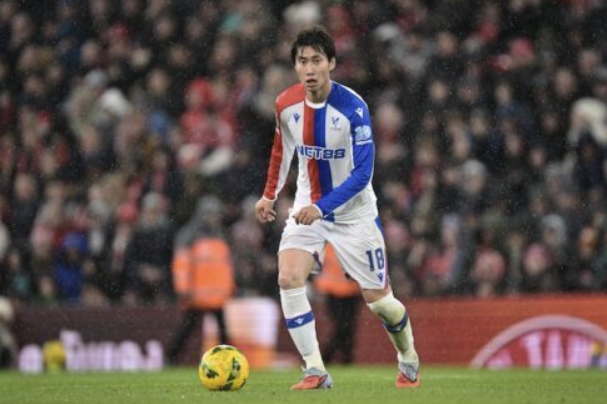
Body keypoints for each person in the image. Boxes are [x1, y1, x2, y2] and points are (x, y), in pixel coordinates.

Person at [255, 25, 420, 390]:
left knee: (380, 302)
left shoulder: (353, 108)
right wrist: (269, 195)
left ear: (331, 63)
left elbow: (363, 174)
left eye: (316, 60)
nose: (309, 68)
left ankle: (408, 357)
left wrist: (323, 207)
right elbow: (282, 151)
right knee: (288, 278)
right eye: (302, 61)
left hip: (354, 214)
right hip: (307, 205)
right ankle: (315, 370)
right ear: (295, 66)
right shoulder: (285, 105)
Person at [166, 197, 235, 365]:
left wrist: (229, 288)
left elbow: (226, 266)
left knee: (221, 330)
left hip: (216, 296)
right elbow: (181, 265)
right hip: (196, 295)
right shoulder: (189, 235)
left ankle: (228, 359)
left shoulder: (221, 234)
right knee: (188, 329)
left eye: (215, 215)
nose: (213, 218)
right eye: (210, 214)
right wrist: (183, 289)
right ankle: (170, 356)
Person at [313, 244, 360, 364]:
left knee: (347, 328)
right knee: (343, 327)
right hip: (336, 292)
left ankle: (341, 358)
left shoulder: (330, 246)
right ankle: (335, 357)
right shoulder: (331, 247)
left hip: (349, 292)